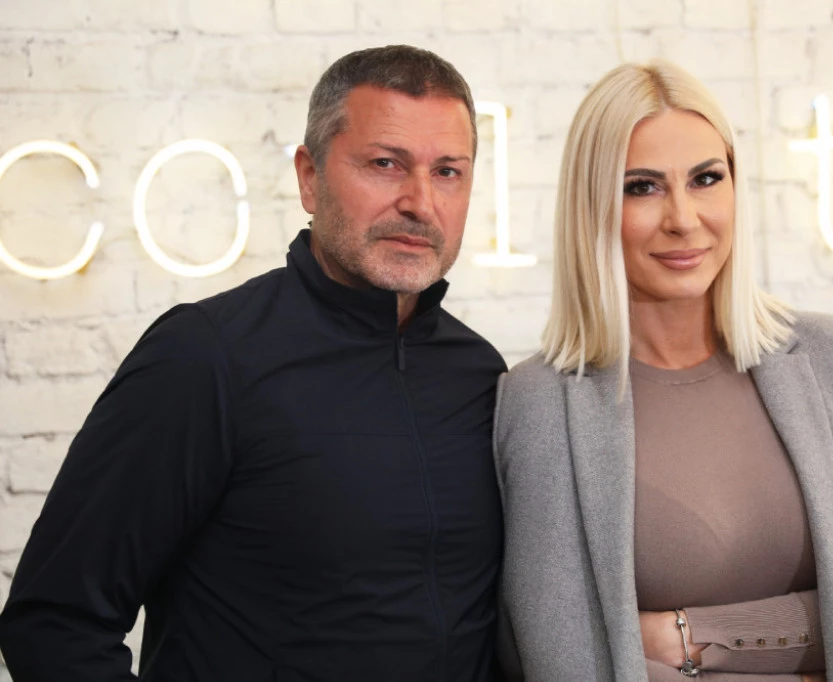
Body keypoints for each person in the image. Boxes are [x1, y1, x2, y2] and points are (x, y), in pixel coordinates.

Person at [0, 45, 507, 681]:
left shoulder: (480, 374)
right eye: (385, 164)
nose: (420, 202)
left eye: (448, 172)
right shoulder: (205, 356)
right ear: (309, 178)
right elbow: (54, 623)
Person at [492, 60, 833, 681]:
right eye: (641, 187)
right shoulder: (540, 405)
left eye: (706, 178)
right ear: (591, 205)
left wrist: (685, 636)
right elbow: (565, 661)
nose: (683, 218)